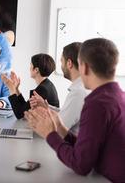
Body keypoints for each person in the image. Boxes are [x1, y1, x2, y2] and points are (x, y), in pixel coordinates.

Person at [26, 38, 125, 182]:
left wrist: (50, 135)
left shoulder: (96, 104)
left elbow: (80, 165)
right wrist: (61, 130)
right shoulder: (118, 96)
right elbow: (90, 146)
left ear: (83, 67)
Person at [30, 42, 88, 135]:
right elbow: (64, 113)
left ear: (69, 63)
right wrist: (46, 106)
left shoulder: (79, 93)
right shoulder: (83, 88)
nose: (61, 66)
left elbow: (58, 128)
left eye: (62, 61)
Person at [1, 53, 59, 119]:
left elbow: (20, 114)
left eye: (31, 65)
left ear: (36, 70)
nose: (29, 68)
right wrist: (16, 89)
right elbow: (25, 108)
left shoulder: (43, 89)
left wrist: (11, 88)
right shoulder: (47, 84)